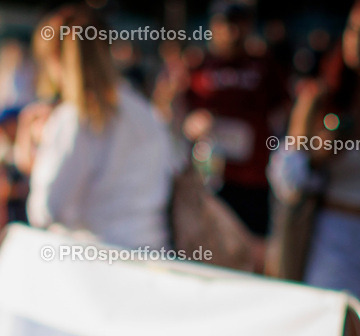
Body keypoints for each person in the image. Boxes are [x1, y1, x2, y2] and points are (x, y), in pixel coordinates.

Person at [269, 1, 360, 336]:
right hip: (333, 246)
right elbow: (286, 177)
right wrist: (311, 156)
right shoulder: (320, 97)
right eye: (353, 27)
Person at [22, 5, 173, 250]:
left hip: (96, 263)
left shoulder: (73, 118)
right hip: (152, 254)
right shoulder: (144, 111)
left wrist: (38, 159)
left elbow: (45, 210)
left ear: (55, 59)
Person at [181, 1, 289, 237]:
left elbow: (285, 113)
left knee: (252, 251)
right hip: (210, 180)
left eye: (238, 25)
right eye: (225, 25)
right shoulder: (198, 66)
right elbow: (179, 118)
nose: (231, 33)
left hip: (253, 181)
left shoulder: (264, 66)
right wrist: (194, 124)